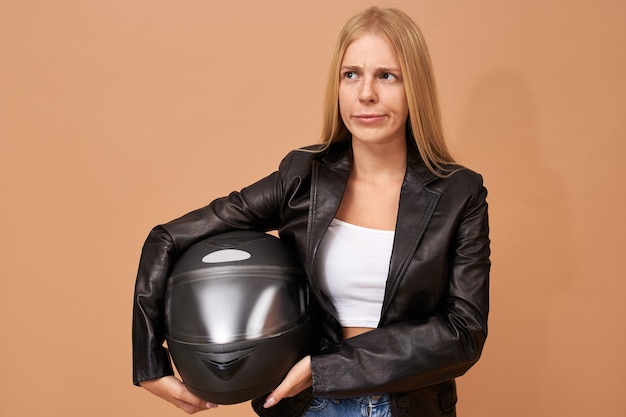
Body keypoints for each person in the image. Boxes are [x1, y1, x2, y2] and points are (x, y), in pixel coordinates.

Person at [132, 6, 490, 417]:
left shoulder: (459, 193)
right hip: (307, 407)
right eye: (351, 74)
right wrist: (148, 363)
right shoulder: (302, 177)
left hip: (408, 406)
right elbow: (168, 238)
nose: (366, 93)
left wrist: (324, 369)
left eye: (386, 76)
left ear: (416, 88)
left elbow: (463, 333)